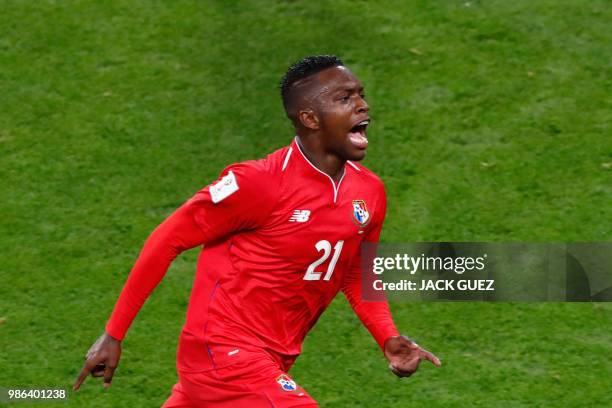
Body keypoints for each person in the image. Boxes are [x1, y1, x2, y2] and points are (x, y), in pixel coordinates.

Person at [73, 55, 441, 407]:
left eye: (360, 94)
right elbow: (167, 240)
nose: (362, 105)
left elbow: (356, 268)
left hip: (273, 355)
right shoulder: (258, 183)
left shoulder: (369, 192)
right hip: (221, 351)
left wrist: (386, 337)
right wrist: (113, 333)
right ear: (310, 118)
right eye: (345, 98)